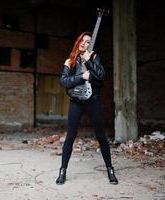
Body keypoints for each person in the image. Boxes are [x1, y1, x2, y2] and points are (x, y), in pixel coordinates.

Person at [56, 32, 118, 185]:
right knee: (70, 137)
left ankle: (110, 169)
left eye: (88, 41)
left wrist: (89, 61)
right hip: (76, 103)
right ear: (78, 42)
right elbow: (64, 81)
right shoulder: (69, 61)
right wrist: (81, 77)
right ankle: (62, 171)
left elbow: (100, 77)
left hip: (93, 102)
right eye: (82, 41)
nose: (84, 43)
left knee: (101, 137)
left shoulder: (95, 58)